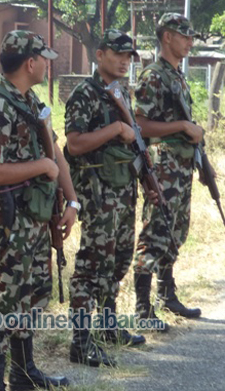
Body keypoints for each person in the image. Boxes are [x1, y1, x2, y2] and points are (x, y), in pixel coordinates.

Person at [0, 30, 77, 391]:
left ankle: (23, 373)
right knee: (4, 300)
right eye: (44, 58)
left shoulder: (31, 102)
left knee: (32, 295)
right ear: (30, 63)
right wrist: (41, 168)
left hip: (35, 218)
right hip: (9, 221)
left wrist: (71, 201)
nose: (50, 64)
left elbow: (56, 155)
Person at [64, 29, 148, 368]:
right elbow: (74, 144)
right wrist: (115, 130)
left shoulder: (121, 92)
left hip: (124, 189)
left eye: (130, 56)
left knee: (119, 258)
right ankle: (81, 341)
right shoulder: (85, 94)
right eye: (119, 54)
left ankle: (108, 325)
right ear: (99, 55)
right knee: (93, 264)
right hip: (98, 192)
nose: (125, 61)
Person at [133, 13, 202, 325]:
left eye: (190, 37)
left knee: (176, 231)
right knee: (156, 230)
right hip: (163, 165)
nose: (189, 42)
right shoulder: (154, 76)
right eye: (183, 35)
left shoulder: (177, 76)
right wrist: (183, 126)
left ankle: (167, 294)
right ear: (167, 38)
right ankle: (142, 307)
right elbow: (140, 125)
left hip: (182, 164)